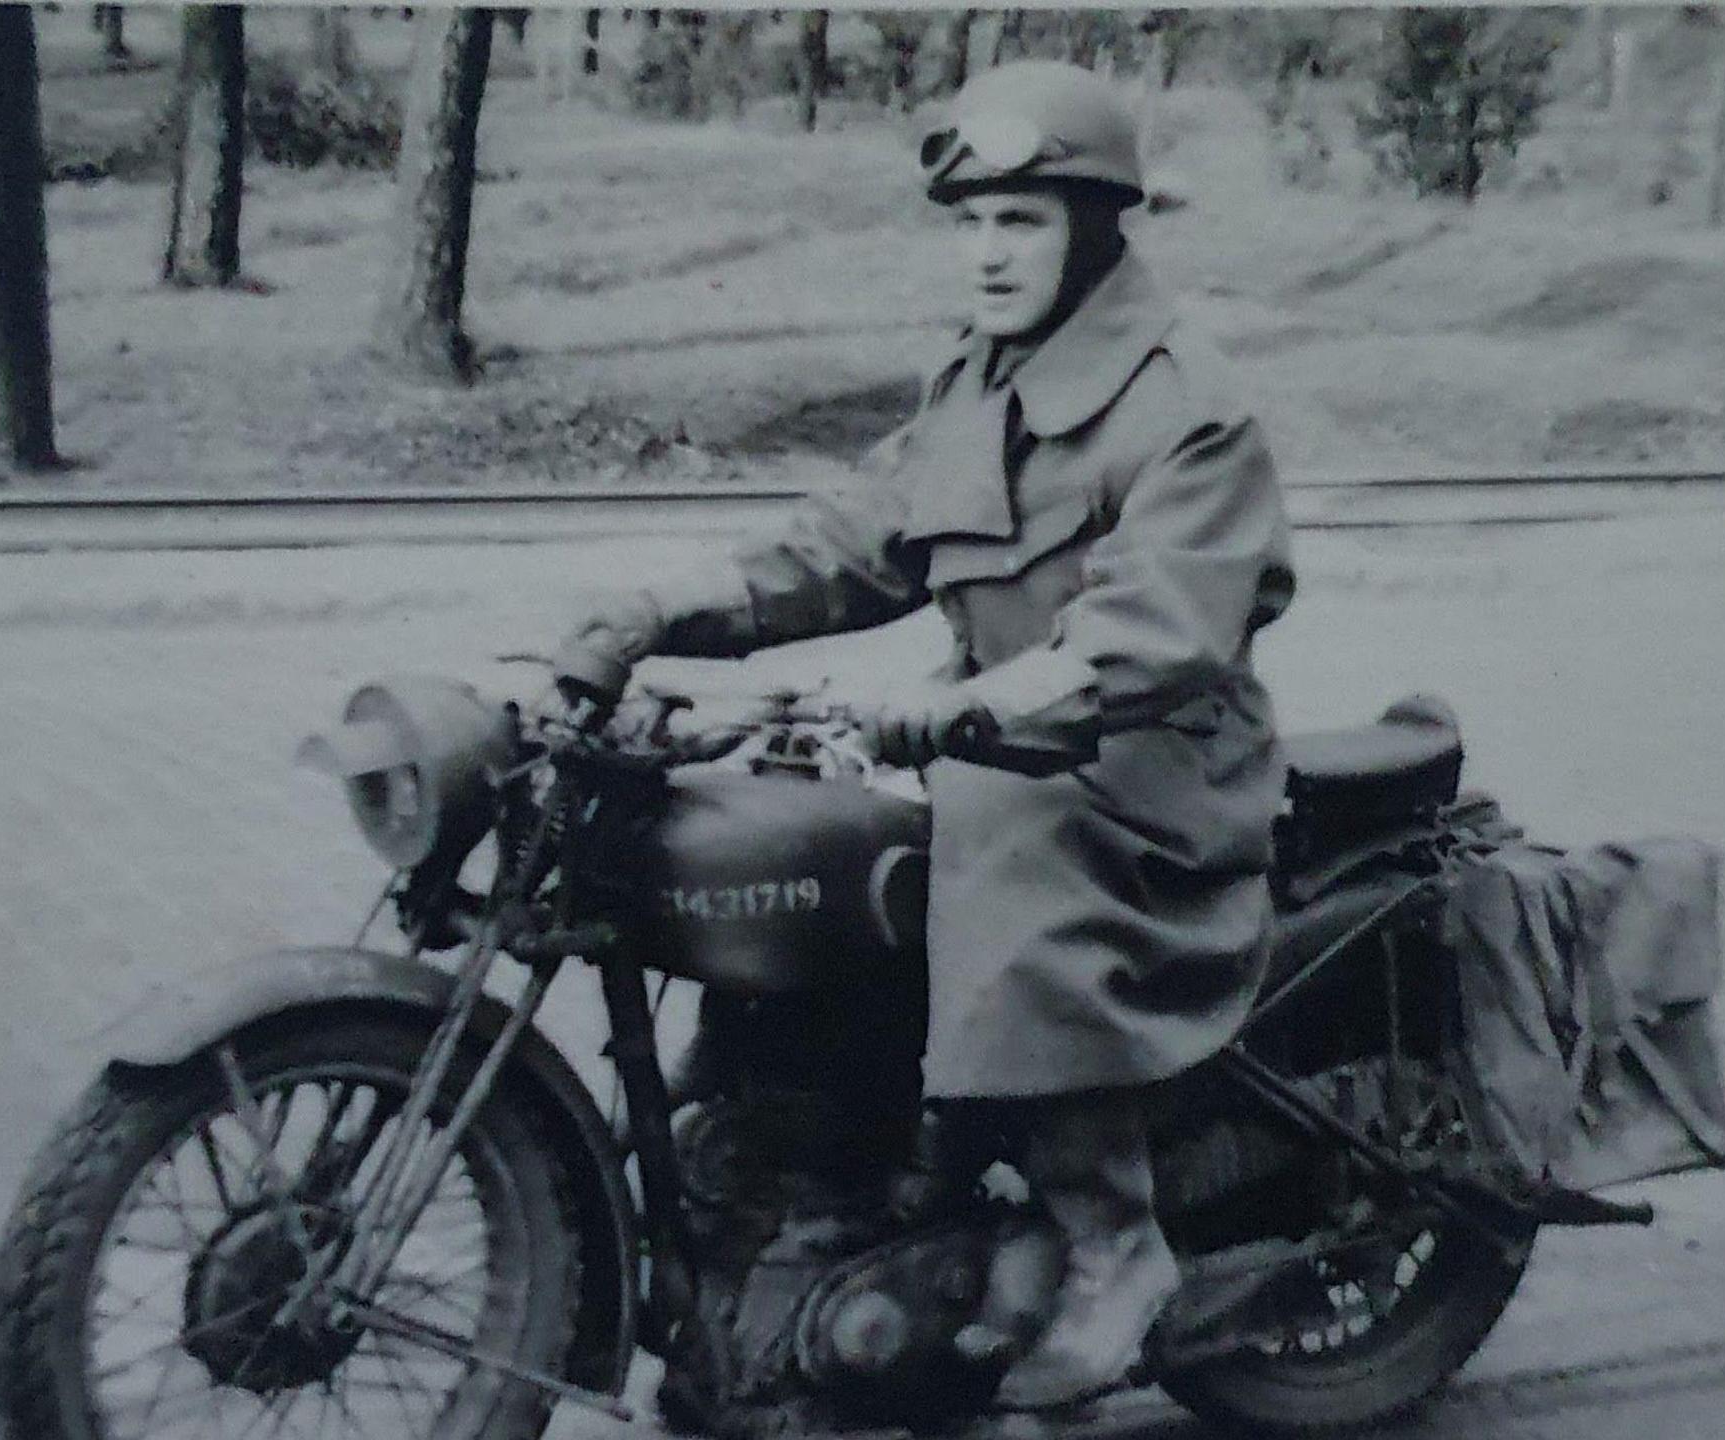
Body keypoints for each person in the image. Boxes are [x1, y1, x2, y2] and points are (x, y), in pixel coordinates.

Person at [547, 61, 1295, 1411]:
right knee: (800, 829)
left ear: (1097, 226)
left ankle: (1117, 1244)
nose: (990, 251)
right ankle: (824, 1164)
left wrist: (971, 710)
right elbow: (847, 545)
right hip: (1002, 730)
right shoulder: (977, 382)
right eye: (972, 222)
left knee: (1001, 831)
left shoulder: (1188, 401)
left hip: (1147, 762)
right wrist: (664, 611)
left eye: (1022, 220)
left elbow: (1156, 634)